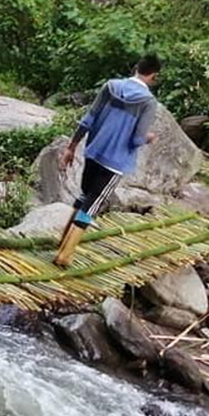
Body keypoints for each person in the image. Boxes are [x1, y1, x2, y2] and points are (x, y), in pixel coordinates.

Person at [53, 54, 163, 267]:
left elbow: (88, 119)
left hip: (93, 152)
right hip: (114, 162)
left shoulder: (111, 86)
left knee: (85, 196)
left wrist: (71, 147)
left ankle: (62, 243)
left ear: (136, 67)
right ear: (153, 76)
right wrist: (149, 138)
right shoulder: (148, 102)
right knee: (92, 206)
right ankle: (64, 255)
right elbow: (137, 138)